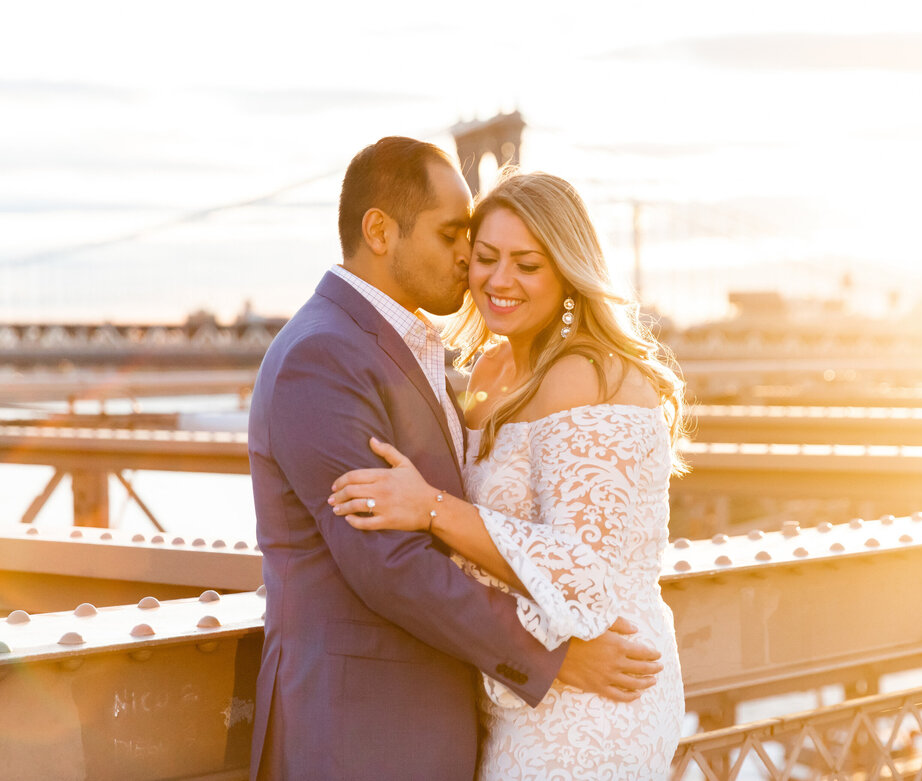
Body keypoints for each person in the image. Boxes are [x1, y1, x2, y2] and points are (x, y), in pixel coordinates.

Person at [248, 138, 663, 780]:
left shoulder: (443, 357)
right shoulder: (323, 355)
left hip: (541, 716)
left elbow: (582, 555)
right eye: (459, 239)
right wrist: (551, 658)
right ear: (380, 232)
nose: (475, 264)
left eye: (525, 262)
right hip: (364, 731)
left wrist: (434, 508)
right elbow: (387, 562)